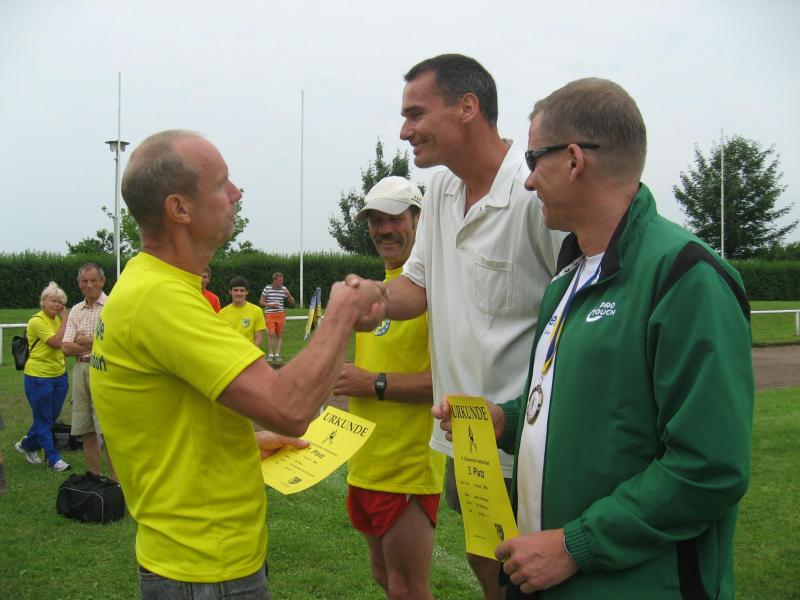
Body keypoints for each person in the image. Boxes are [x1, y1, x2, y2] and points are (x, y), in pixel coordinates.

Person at [435, 78, 754, 599]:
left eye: (534, 160)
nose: (528, 181)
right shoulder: (566, 278)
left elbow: (708, 467)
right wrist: (506, 420)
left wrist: (574, 546)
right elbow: (579, 404)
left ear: (574, 159)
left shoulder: (685, 276)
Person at [89, 129, 385, 599]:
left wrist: (247, 443)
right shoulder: (160, 300)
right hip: (206, 570)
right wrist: (342, 313)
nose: (236, 193)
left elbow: (170, 421)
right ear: (180, 209)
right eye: (221, 183)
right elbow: (289, 407)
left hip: (195, 560)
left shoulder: (151, 287)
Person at [367, 53, 563, 599]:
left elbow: (579, 308)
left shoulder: (533, 193)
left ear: (467, 107)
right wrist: (365, 299)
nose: (405, 131)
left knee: (534, 574)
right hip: (464, 434)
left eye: (415, 114)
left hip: (529, 440)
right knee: (487, 563)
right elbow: (415, 289)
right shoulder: (441, 192)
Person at [333, 176, 445, 600]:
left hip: (408, 466)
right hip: (365, 461)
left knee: (407, 588)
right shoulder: (380, 289)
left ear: (419, 219)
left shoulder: (436, 292)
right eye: (375, 221)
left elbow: (447, 383)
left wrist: (372, 383)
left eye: (394, 218)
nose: (383, 230)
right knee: (383, 575)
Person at [61, 263, 116, 479]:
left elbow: (114, 343)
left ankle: (115, 481)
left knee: (108, 429)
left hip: (105, 369)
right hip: (81, 370)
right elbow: (66, 347)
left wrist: (81, 339)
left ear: (102, 281)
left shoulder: (113, 306)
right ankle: (95, 477)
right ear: (79, 283)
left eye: (94, 280)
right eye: (85, 281)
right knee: (86, 428)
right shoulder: (75, 310)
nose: (89, 285)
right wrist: (95, 342)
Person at [15, 281, 71, 472]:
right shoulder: (37, 321)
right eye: (54, 301)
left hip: (59, 374)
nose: (58, 305)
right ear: (44, 302)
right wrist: (65, 320)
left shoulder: (57, 320)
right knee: (44, 417)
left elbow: (67, 342)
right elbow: (55, 342)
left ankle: (27, 444)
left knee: (50, 416)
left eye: (60, 302)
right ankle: (54, 459)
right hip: (39, 377)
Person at [220, 275, 266, 346]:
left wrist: (251, 352)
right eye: (235, 290)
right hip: (229, 351)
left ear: (247, 292)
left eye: (242, 290)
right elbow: (221, 337)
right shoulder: (222, 313)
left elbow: (258, 339)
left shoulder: (257, 311)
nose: (239, 293)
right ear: (230, 291)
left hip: (249, 352)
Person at [259, 272, 294, 362]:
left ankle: (277, 354)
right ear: (274, 280)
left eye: (282, 280)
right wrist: (271, 305)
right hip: (270, 314)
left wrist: (288, 295)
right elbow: (261, 302)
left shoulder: (284, 289)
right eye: (279, 280)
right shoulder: (267, 289)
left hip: (280, 314)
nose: (281, 282)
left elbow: (292, 302)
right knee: (271, 334)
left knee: (279, 335)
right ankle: (271, 354)